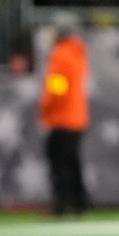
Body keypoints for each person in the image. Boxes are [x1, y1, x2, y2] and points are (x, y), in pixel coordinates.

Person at [39, 25, 90, 216]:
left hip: (61, 118)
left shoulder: (60, 55)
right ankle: (79, 203)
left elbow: (56, 89)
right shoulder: (78, 54)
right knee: (73, 163)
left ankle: (61, 204)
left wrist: (45, 108)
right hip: (78, 117)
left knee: (60, 165)